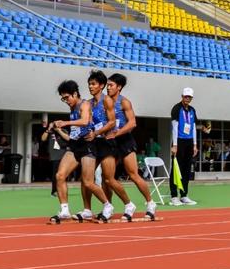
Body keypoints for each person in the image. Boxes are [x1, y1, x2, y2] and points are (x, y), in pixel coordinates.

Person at [50, 80, 114, 224]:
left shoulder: (84, 104)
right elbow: (73, 133)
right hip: (74, 145)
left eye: (67, 98)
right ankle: (65, 210)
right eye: (63, 99)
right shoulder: (72, 107)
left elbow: (85, 121)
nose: (65, 101)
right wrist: (59, 129)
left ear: (75, 94)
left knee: (88, 182)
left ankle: (107, 206)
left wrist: (65, 123)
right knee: (60, 175)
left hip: (87, 146)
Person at [81, 70, 134, 222]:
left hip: (107, 143)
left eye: (93, 84)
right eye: (89, 84)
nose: (90, 87)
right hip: (95, 143)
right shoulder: (89, 103)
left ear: (101, 85)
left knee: (109, 179)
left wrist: (96, 132)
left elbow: (111, 122)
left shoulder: (107, 101)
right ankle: (87, 209)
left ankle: (128, 205)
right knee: (86, 179)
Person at [106, 73, 157, 219]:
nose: (108, 88)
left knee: (133, 174)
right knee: (107, 177)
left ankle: (150, 203)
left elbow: (132, 123)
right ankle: (109, 207)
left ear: (119, 87)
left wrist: (117, 133)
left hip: (125, 140)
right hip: (110, 142)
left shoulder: (124, 102)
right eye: (107, 85)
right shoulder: (104, 102)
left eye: (111, 85)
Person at [170, 87, 210, 205]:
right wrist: (175, 145)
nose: (187, 98)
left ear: (191, 98)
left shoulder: (192, 110)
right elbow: (175, 128)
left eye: (189, 97)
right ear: (182, 96)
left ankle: (184, 195)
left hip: (189, 142)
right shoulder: (176, 109)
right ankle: (173, 196)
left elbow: (193, 128)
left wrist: (195, 145)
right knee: (176, 169)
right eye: (185, 96)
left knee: (186, 170)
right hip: (179, 142)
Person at [42, 121, 67, 196]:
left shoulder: (64, 131)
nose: (56, 125)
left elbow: (68, 139)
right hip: (54, 156)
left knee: (63, 175)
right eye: (54, 124)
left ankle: (62, 190)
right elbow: (43, 139)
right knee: (55, 175)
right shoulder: (50, 132)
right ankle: (54, 191)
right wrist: (49, 128)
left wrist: (59, 130)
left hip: (63, 155)